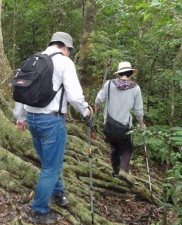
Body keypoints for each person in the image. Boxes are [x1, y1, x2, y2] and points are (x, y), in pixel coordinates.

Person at [13, 31, 93, 224]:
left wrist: (20, 117)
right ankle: (38, 211)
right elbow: (74, 96)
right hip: (51, 122)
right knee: (51, 167)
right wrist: (85, 111)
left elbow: (21, 90)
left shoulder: (32, 60)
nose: (69, 54)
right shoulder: (65, 62)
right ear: (66, 47)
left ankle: (58, 193)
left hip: (32, 119)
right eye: (70, 51)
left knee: (48, 164)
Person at [95, 61, 145, 185]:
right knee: (127, 148)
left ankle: (116, 172)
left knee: (114, 148)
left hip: (109, 125)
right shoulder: (136, 88)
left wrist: (96, 109)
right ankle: (123, 169)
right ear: (130, 73)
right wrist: (141, 124)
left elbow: (98, 99)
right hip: (125, 127)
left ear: (119, 73)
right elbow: (138, 110)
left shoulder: (109, 84)